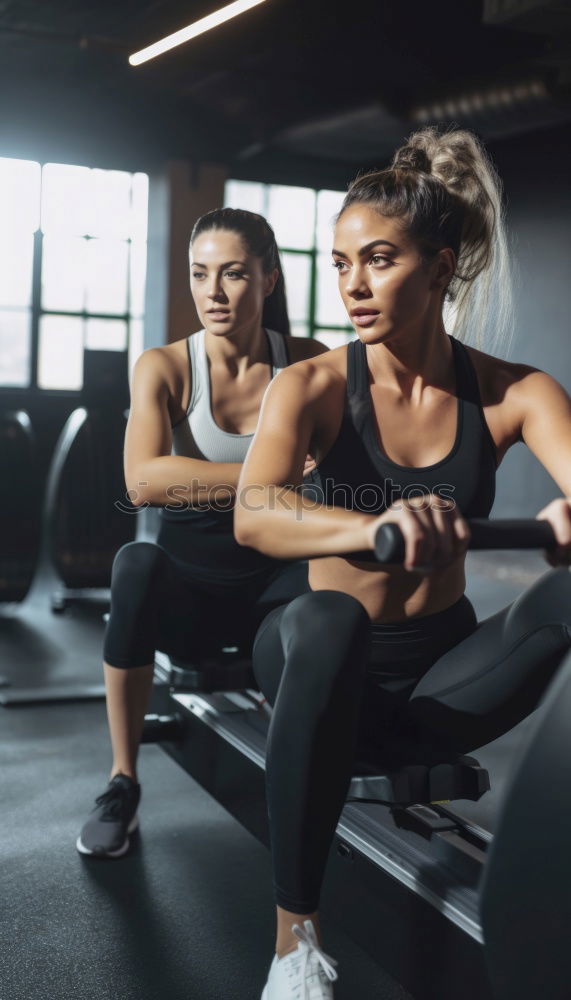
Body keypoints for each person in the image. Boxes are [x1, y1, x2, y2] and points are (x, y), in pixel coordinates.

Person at [233, 126, 571, 1000]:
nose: (351, 283)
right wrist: (371, 525)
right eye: (340, 262)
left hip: (441, 691)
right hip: (318, 668)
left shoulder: (516, 392)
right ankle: (294, 947)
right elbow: (254, 511)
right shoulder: (307, 386)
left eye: (377, 260)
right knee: (330, 616)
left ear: (441, 265)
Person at [76, 207, 328, 858]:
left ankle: (311, 768)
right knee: (135, 563)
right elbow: (144, 483)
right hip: (188, 599)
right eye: (199, 274)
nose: (212, 292)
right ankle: (122, 780)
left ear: (268, 280)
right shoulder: (163, 366)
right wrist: (263, 473)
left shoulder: (307, 362)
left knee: (328, 584)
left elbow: (337, 468)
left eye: (233, 274)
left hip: (271, 592)